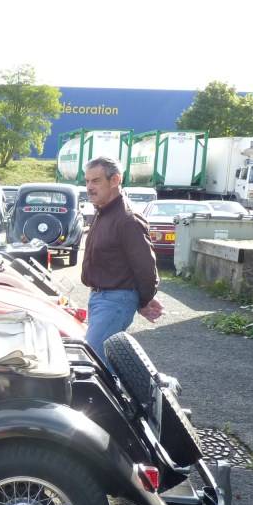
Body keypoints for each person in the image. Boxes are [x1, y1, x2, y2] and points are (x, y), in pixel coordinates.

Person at [80, 156, 163, 368]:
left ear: (115, 179)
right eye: (87, 181)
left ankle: (110, 402)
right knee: (101, 362)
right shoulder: (105, 212)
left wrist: (143, 300)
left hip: (115, 300)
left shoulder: (127, 219)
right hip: (103, 299)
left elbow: (146, 268)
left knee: (93, 361)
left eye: (96, 181)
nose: (89, 187)